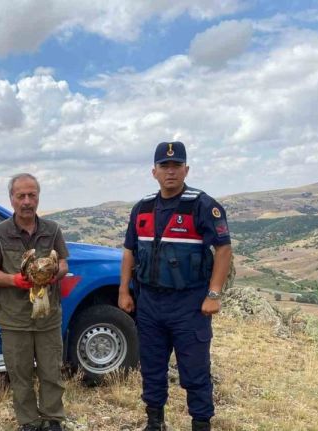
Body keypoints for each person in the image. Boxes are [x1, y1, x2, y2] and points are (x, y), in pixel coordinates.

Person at [118, 141, 232, 431]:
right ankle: (155, 423)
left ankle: (201, 423)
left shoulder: (202, 205)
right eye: (164, 166)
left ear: (186, 169)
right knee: (152, 367)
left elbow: (223, 250)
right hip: (150, 303)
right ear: (153, 171)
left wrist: (214, 294)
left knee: (195, 371)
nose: (171, 171)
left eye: (176, 165)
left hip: (189, 304)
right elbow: (129, 251)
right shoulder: (142, 208)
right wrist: (123, 291)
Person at [0, 173, 70, 431]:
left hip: (48, 316)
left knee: (51, 372)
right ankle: (29, 422)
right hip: (14, 318)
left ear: (38, 197)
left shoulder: (52, 230)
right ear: (12, 199)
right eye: (21, 196)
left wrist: (55, 273)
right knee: (19, 374)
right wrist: (14, 280)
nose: (27, 201)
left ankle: (53, 419)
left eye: (32, 195)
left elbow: (64, 263)